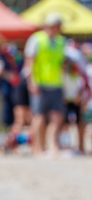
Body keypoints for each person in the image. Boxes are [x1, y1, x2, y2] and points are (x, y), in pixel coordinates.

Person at [24, 13, 73, 155]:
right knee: (39, 117)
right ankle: (38, 147)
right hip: (40, 84)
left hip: (56, 83)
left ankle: (53, 146)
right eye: (57, 26)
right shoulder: (37, 39)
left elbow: (61, 63)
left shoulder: (61, 41)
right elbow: (29, 63)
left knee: (58, 117)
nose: (59, 28)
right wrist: (31, 82)